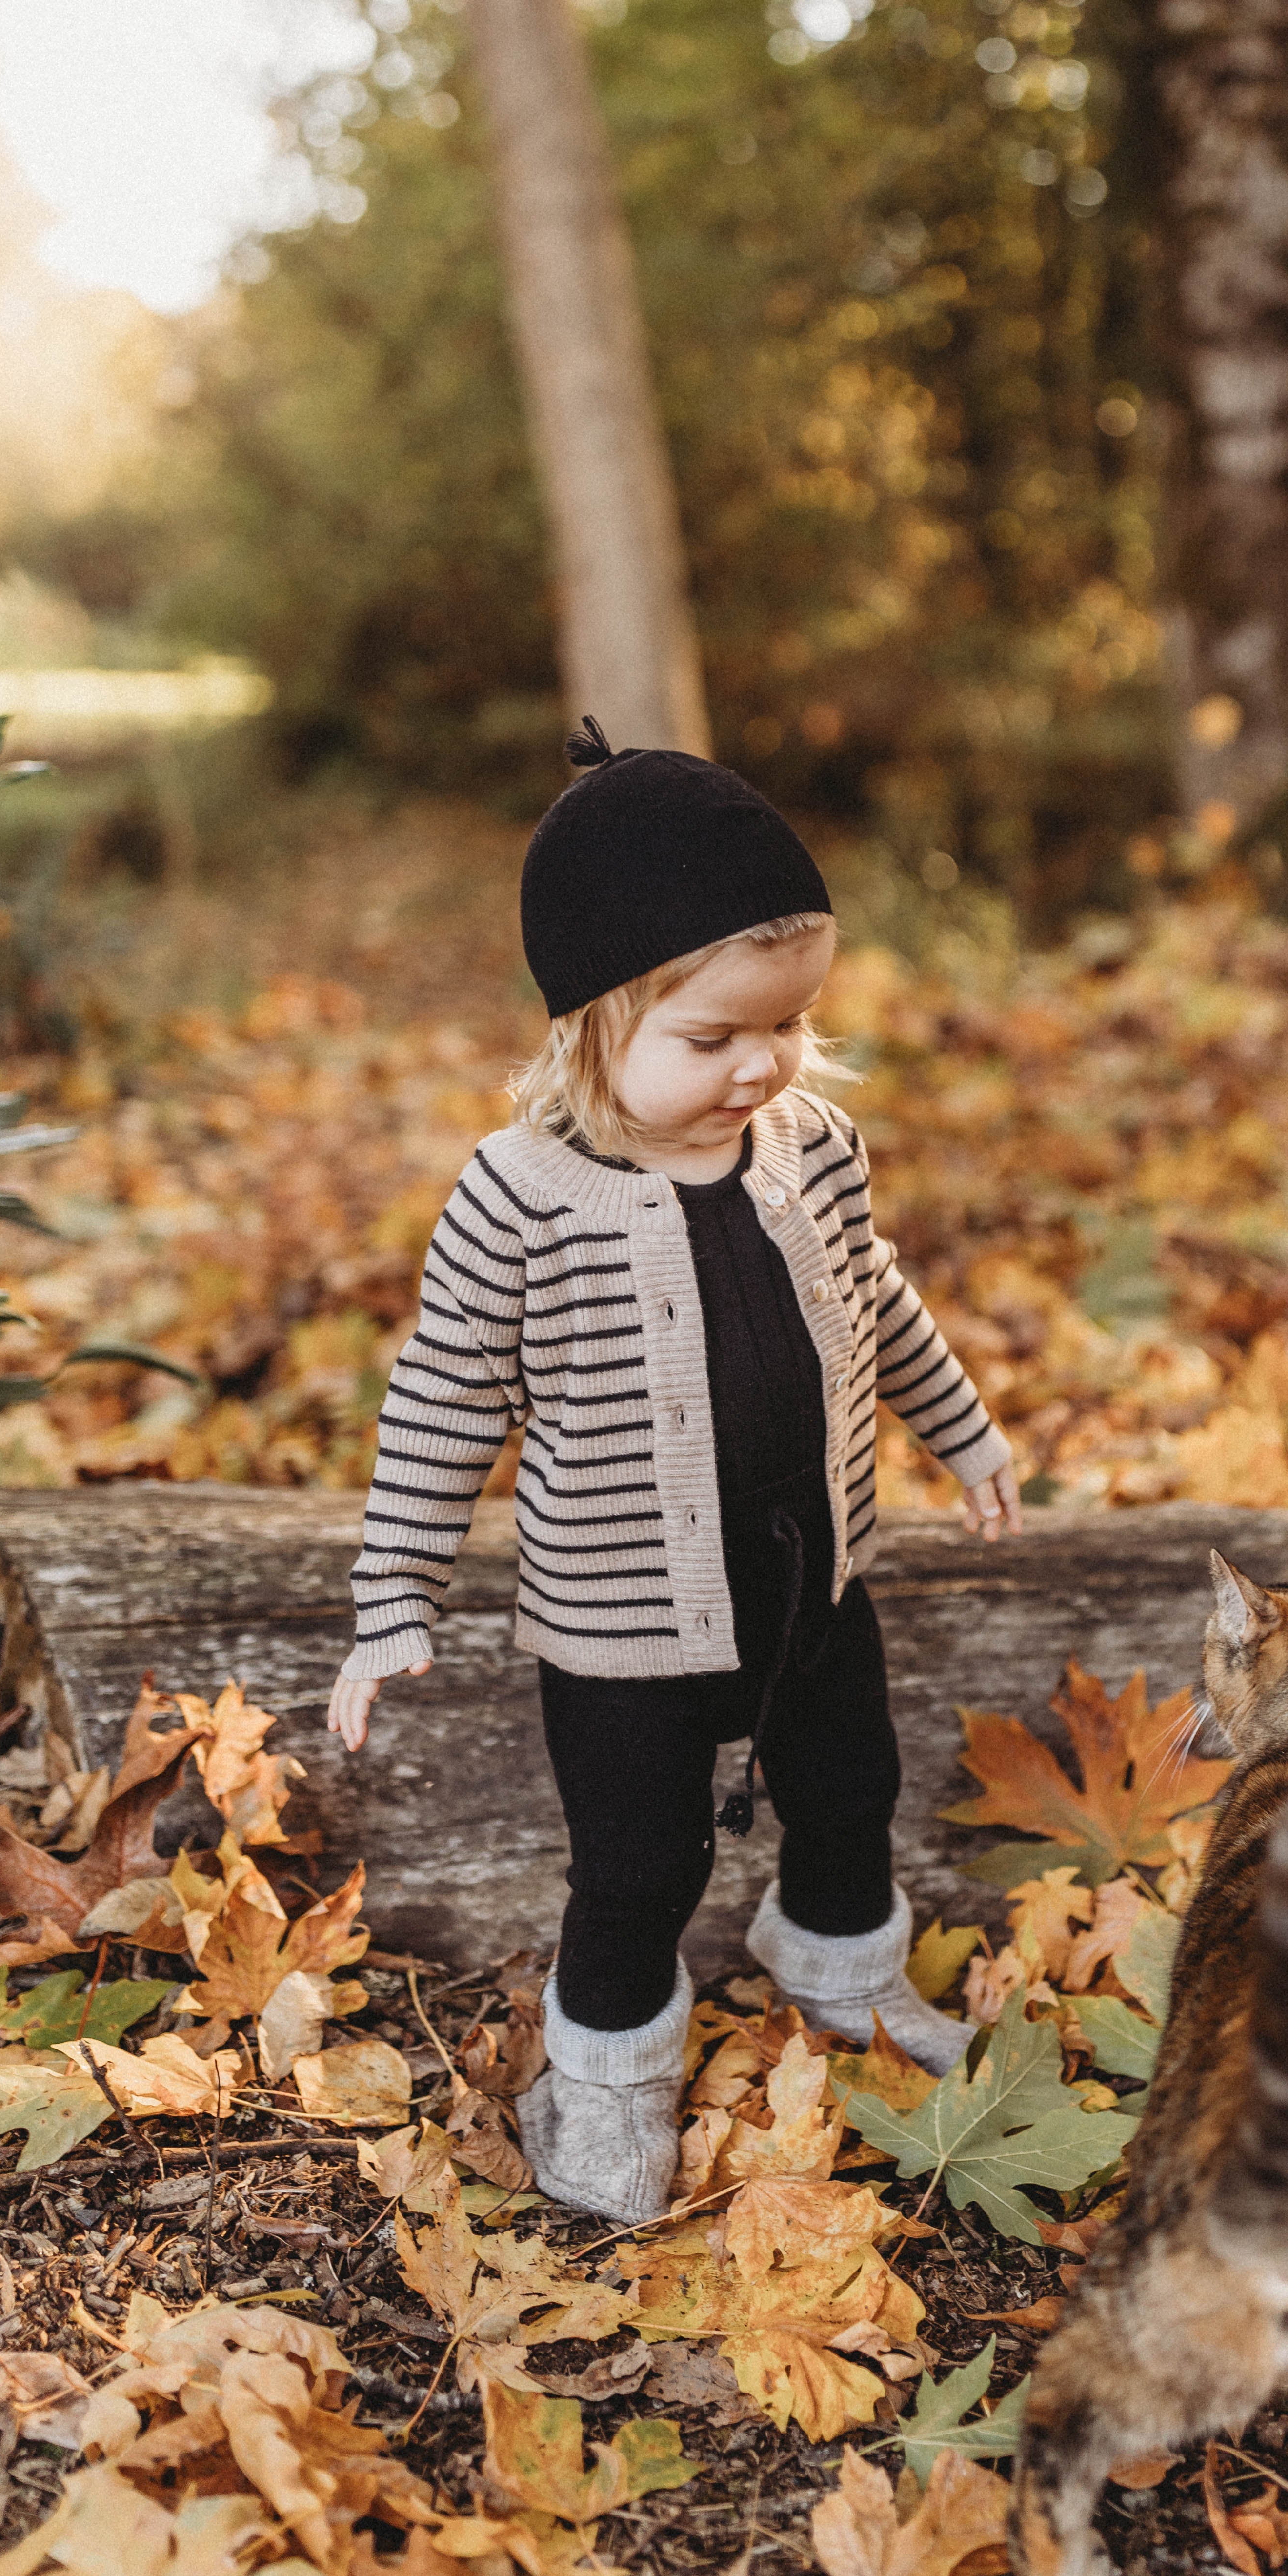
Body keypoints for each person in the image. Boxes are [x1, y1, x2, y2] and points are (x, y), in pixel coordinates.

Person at [325, 726, 1021, 2221]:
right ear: (592, 1023)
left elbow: (880, 1298)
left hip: (813, 1580)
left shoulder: (808, 1145)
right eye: (712, 1039)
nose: (760, 1064)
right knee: (639, 1865)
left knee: (853, 1787)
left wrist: (962, 1430)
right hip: (623, 1628)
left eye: (790, 1023)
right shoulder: (519, 1199)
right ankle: (608, 2084)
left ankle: (840, 1965)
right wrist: (392, 1599)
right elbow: (442, 1400)